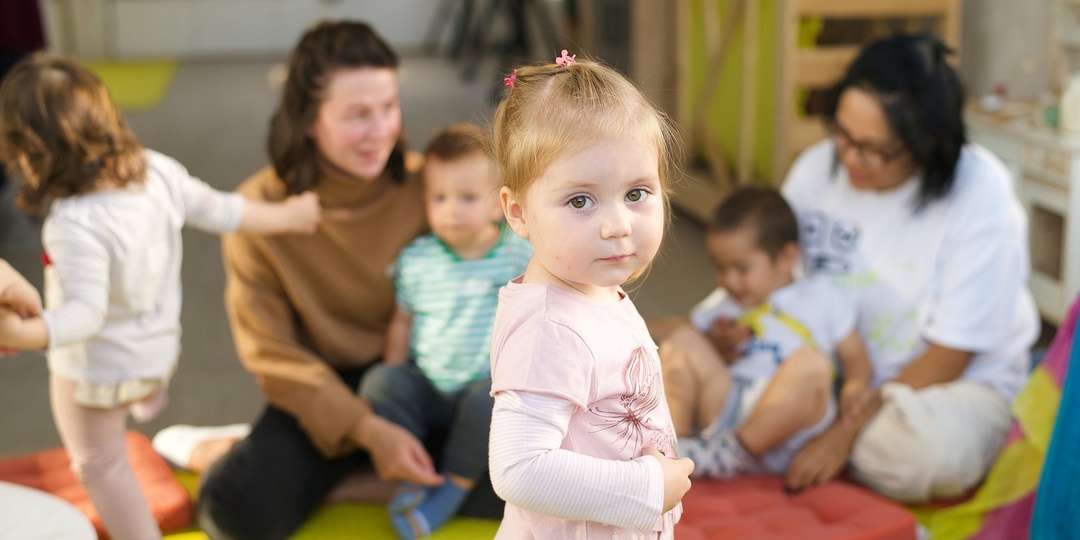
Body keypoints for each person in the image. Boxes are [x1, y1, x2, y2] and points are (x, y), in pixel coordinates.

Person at [195, 21, 504, 540]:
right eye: (358, 115)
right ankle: (350, 464)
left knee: (542, 481)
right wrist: (365, 428)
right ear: (309, 118)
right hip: (328, 391)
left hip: (425, 376)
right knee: (234, 511)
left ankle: (359, 481)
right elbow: (274, 357)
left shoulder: (429, 187)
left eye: (389, 107)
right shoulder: (258, 214)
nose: (381, 129)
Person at [0, 54, 321, 540]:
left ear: (29, 151)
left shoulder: (74, 223)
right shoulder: (156, 171)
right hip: (154, 353)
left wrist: (24, 332)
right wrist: (290, 216)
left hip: (95, 373)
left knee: (99, 465)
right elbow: (223, 210)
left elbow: (85, 316)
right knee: (113, 445)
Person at [777, 34, 1039, 502]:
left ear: (925, 145)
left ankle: (797, 437)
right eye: (842, 134)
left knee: (930, 455)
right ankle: (799, 431)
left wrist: (843, 430)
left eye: (874, 149)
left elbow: (949, 356)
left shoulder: (981, 193)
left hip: (941, 391)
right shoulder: (815, 170)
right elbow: (780, 284)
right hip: (835, 375)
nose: (849, 157)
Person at [487, 51, 694, 539]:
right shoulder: (549, 329)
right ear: (517, 212)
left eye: (637, 192)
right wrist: (645, 488)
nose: (617, 225)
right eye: (580, 200)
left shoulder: (594, 290)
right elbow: (518, 469)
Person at [358, 122, 529, 538]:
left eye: (467, 198)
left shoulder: (517, 253)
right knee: (381, 381)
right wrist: (396, 373)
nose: (451, 210)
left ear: (498, 203)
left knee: (491, 402)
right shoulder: (418, 259)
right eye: (439, 198)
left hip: (484, 389)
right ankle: (412, 474)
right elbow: (402, 322)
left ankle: (452, 488)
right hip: (431, 387)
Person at [663, 184, 874, 480]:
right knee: (681, 341)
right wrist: (710, 341)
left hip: (789, 426)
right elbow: (683, 334)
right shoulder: (725, 302)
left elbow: (855, 355)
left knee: (810, 365)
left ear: (787, 257)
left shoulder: (821, 296)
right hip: (728, 408)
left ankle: (730, 454)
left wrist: (855, 386)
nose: (729, 280)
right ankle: (672, 452)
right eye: (720, 268)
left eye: (742, 268)